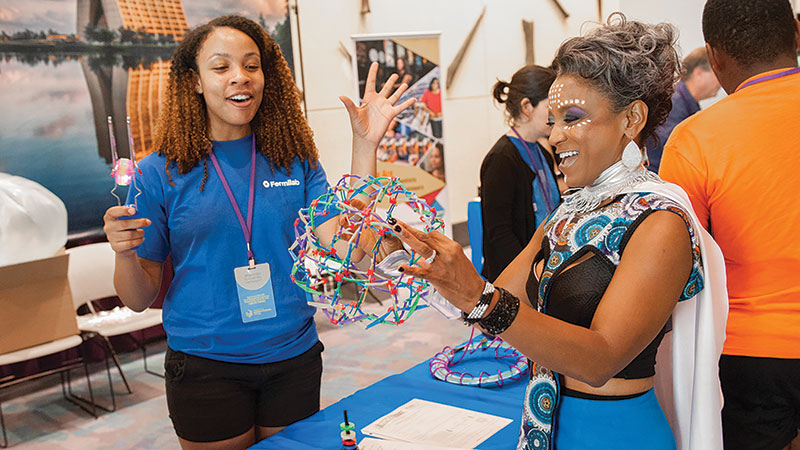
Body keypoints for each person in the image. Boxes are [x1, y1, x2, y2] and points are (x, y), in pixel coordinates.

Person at [380, 14, 728, 449]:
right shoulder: (567, 211)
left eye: (573, 118)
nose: (556, 136)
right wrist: (432, 264)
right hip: (545, 427)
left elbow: (600, 358)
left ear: (631, 118)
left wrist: (477, 297)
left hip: (615, 434)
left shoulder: (661, 221)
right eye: (554, 121)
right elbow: (500, 306)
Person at [102, 15, 412, 450]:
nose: (239, 78)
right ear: (194, 81)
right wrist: (122, 253)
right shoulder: (158, 173)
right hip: (206, 364)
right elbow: (136, 299)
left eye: (251, 65)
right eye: (221, 66)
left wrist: (365, 146)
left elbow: (347, 248)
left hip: (294, 356)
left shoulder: (293, 158)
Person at [659, 1, 800, 449]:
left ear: (713, 58)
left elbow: (675, 266)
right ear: (797, 34)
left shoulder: (695, 141)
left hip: (749, 354)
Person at [480, 65, 561, 282]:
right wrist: (529, 275)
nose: (556, 116)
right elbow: (499, 235)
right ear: (527, 107)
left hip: (542, 268)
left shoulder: (542, 150)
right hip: (516, 279)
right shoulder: (502, 159)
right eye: (550, 107)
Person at [645, 47, 721, 173]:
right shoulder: (673, 103)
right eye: (716, 73)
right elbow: (663, 147)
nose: (720, 81)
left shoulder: (683, 102)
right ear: (699, 73)